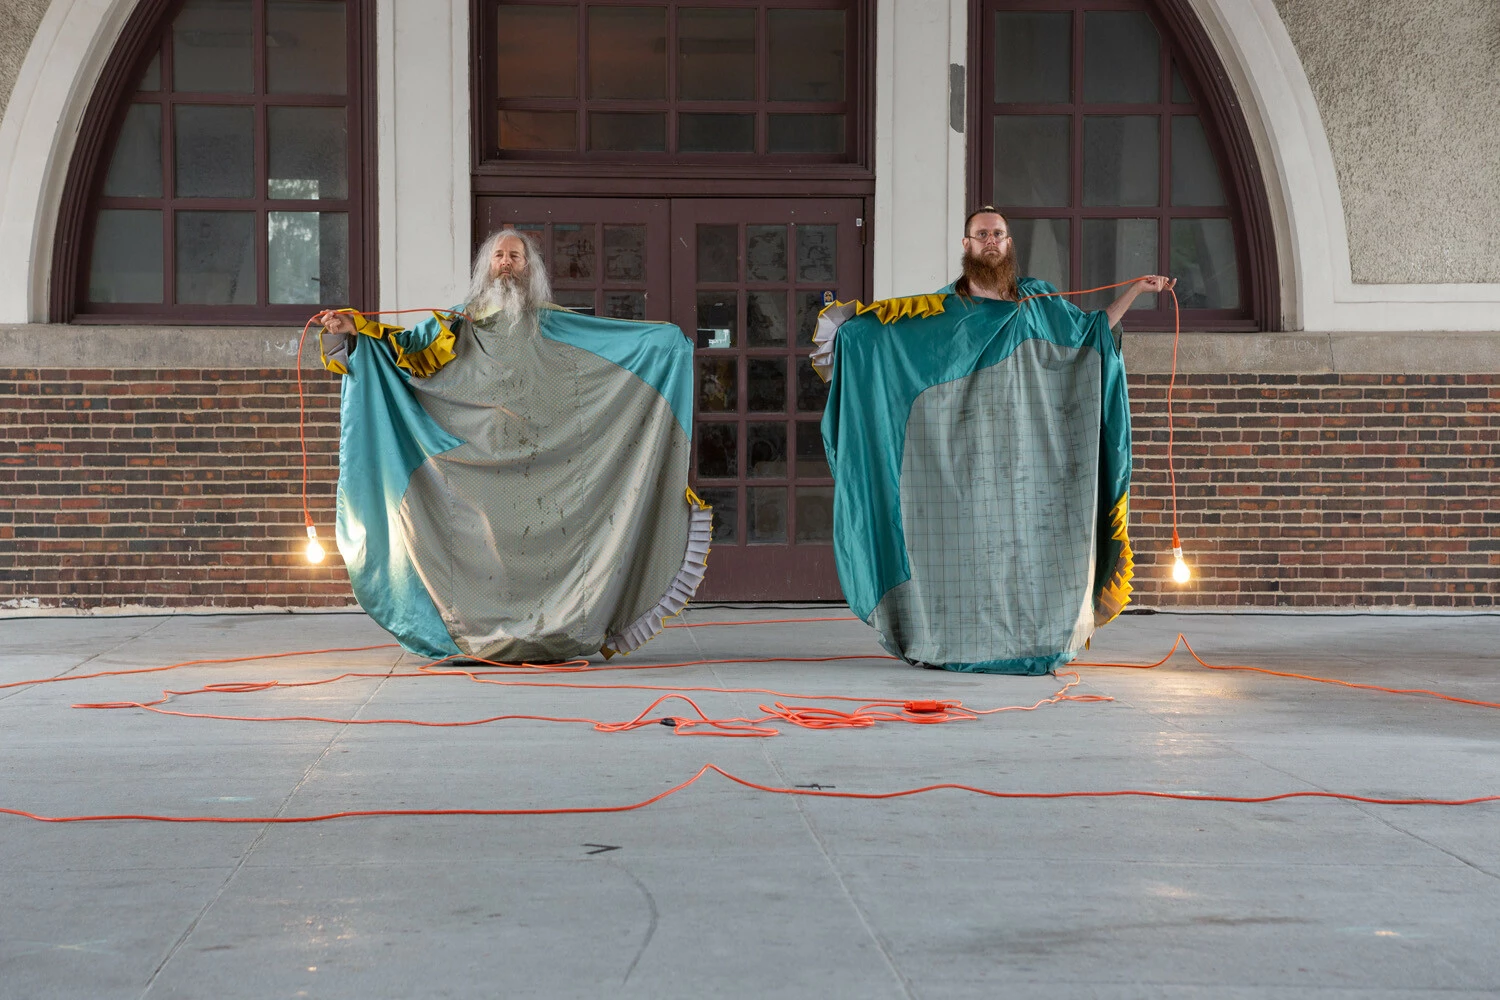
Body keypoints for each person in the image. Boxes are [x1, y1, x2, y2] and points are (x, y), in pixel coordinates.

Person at [314, 229, 710, 663]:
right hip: (472, 468)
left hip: (546, 470)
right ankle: (476, 633)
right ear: (486, 266)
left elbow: (613, 340)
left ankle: (557, 627)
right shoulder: (455, 326)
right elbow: (401, 352)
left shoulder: (555, 324)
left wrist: (667, 343)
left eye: (515, 256)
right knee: (481, 555)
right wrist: (355, 330)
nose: (506, 263)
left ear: (529, 268)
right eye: (499, 255)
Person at [810, 208, 1147, 674]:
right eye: (981, 234)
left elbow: (1091, 336)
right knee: (963, 553)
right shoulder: (942, 314)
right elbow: (894, 345)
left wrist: (1133, 293)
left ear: (1009, 243)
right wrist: (852, 337)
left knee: (1029, 550)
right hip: (961, 463)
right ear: (966, 245)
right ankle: (948, 640)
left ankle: (1038, 638)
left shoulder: (1040, 303)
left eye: (998, 234)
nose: (991, 241)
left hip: (1031, 463)